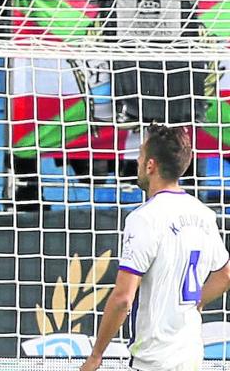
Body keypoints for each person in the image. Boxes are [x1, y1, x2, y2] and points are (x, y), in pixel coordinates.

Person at [79, 123, 230, 371]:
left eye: (140, 156)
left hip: (155, 359)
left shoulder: (144, 219)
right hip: (191, 354)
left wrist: (96, 356)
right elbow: (225, 275)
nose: (137, 163)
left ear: (150, 165)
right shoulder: (203, 214)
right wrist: (194, 304)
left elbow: (123, 299)